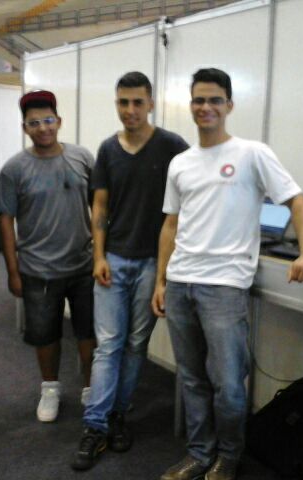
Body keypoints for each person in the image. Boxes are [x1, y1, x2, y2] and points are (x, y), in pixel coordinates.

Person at [152, 68, 303, 480]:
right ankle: (199, 453)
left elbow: (297, 201)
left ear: (228, 105)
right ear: (191, 105)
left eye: (214, 100)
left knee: (228, 384)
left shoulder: (252, 154)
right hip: (180, 283)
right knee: (192, 379)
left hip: (225, 287)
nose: (206, 107)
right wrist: (160, 281)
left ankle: (229, 457)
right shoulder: (180, 163)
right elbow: (171, 224)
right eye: (199, 100)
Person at [71, 71, 189, 471]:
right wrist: (98, 256)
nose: (130, 110)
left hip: (153, 263)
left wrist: (165, 274)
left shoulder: (172, 146)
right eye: (123, 102)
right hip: (114, 261)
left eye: (138, 102)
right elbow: (100, 206)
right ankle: (95, 425)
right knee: (109, 345)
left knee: (136, 344)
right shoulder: (108, 149)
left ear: (151, 103)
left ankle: (119, 413)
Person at [0, 90, 96, 423]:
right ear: (25, 128)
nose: (42, 128)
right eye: (34, 123)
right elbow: (5, 220)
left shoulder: (82, 157)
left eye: (48, 120)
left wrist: (101, 254)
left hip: (83, 265)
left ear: (59, 122)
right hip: (38, 269)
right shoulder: (14, 169)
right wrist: (13, 271)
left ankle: (91, 389)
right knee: (45, 335)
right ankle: (50, 389)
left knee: (88, 333)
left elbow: (99, 206)